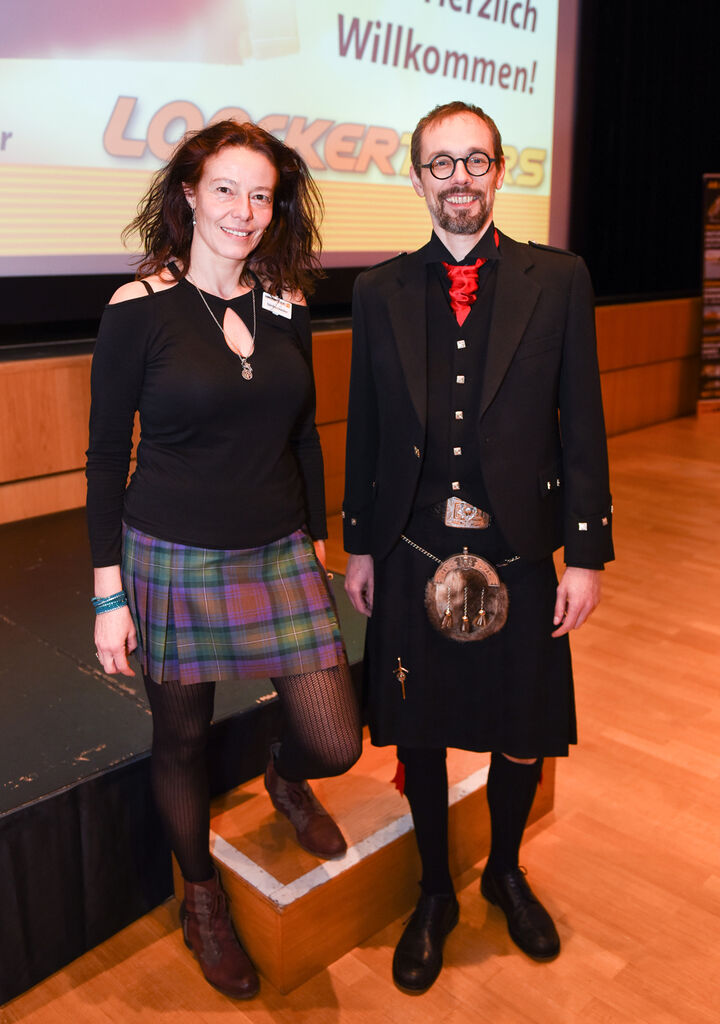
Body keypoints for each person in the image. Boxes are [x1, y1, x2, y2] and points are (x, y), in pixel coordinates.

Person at [86, 119, 361, 999]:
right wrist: (108, 595)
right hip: (170, 551)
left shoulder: (287, 304)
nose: (245, 211)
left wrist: (317, 537)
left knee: (334, 740)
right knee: (181, 739)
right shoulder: (139, 307)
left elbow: (304, 433)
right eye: (227, 190)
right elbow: (105, 456)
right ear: (190, 196)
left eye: (261, 196)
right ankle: (200, 898)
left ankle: (285, 775)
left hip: (278, 546)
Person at [343, 101, 613, 993]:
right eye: (441, 162)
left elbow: (583, 425)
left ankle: (503, 871)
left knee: (521, 728)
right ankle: (435, 892)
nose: (458, 177)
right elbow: (366, 428)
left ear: (500, 171)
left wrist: (585, 554)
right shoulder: (377, 290)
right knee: (419, 732)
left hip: (522, 555)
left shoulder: (559, 278)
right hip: (412, 550)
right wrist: (359, 544)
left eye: (475, 160)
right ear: (417, 177)